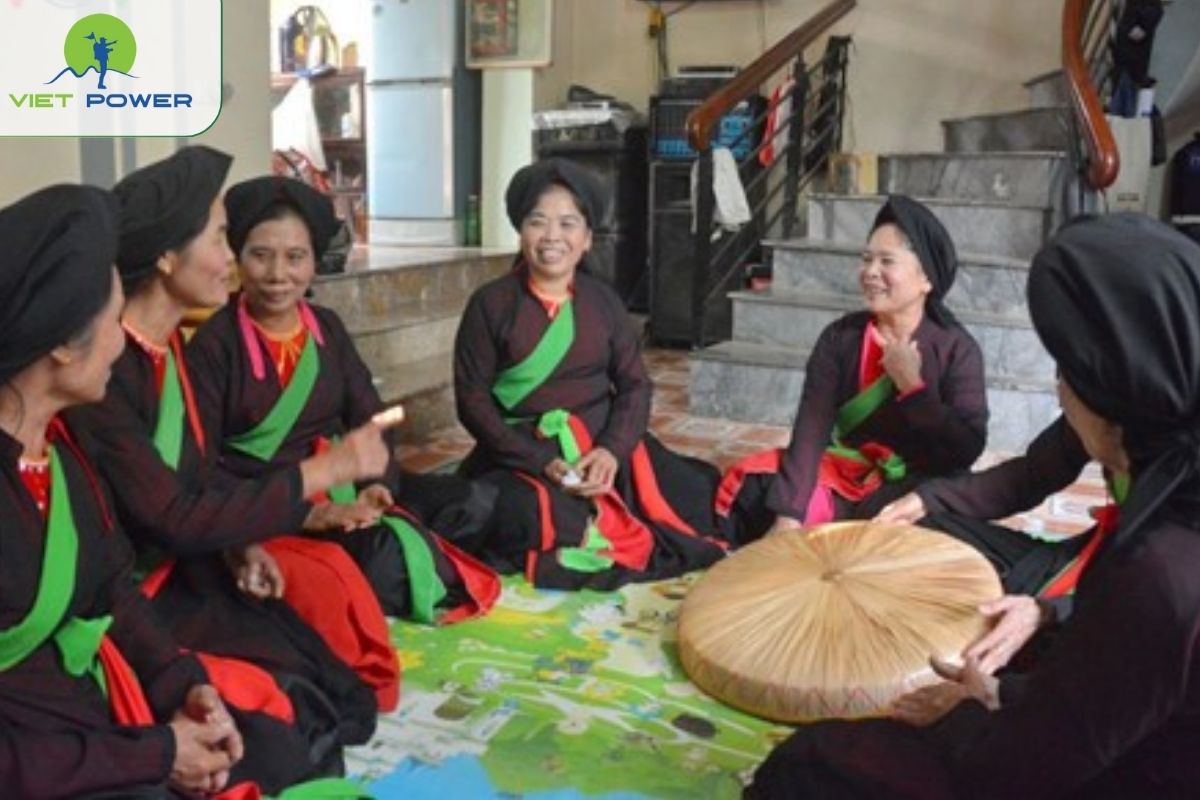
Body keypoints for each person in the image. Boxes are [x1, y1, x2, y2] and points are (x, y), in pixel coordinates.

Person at [747, 214, 1200, 798]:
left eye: (1066, 371)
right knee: (925, 518)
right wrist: (928, 502)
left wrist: (978, 704)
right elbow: (1026, 478)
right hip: (1108, 697)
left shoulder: (1160, 573)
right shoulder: (1159, 425)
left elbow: (1023, 764)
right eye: (869, 259)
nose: (1059, 386)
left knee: (804, 767)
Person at [61, 147, 411, 789]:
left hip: (197, 563)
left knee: (333, 686)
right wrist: (320, 474)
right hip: (142, 596)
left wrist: (237, 549)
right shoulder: (103, 382)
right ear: (167, 256)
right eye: (223, 238)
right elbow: (168, 515)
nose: (235, 259)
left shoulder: (169, 355)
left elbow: (191, 486)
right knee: (286, 727)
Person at [0, 184, 243, 798]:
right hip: (34, 755)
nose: (119, 342)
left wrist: (181, 682)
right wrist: (157, 755)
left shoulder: (58, 449)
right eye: (112, 321)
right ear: (60, 343)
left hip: (77, 721)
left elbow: (112, 583)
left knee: (264, 741)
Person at [186, 175, 499, 625]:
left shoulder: (326, 328)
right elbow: (203, 469)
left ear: (315, 262)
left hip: (349, 485)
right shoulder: (214, 346)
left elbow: (373, 416)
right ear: (238, 258)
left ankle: (394, 547)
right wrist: (306, 513)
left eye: (295, 257)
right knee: (385, 562)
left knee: (475, 501)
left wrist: (379, 486)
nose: (278, 275)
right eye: (260, 255)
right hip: (273, 508)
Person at [452, 158, 729, 589]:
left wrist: (610, 452)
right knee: (528, 516)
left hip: (601, 445)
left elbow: (635, 384)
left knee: (693, 493)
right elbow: (472, 401)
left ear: (585, 239)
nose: (552, 238)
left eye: (568, 224)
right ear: (521, 231)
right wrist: (543, 463)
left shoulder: (603, 301)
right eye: (538, 222)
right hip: (522, 453)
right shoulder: (490, 304)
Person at [715, 195, 988, 544]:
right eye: (866, 259)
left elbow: (965, 449)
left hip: (912, 486)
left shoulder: (957, 350)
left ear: (926, 280)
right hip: (841, 474)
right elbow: (810, 431)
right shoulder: (840, 337)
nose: (871, 272)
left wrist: (913, 387)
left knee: (929, 525)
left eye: (886, 261)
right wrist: (789, 516)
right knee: (765, 492)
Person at [874, 415, 1123, 674]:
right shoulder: (1093, 409)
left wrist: (1048, 612)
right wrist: (929, 499)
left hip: (1115, 604)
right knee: (925, 529)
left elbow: (1149, 602)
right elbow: (1032, 474)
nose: (1060, 397)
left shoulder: (1164, 481)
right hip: (1070, 560)